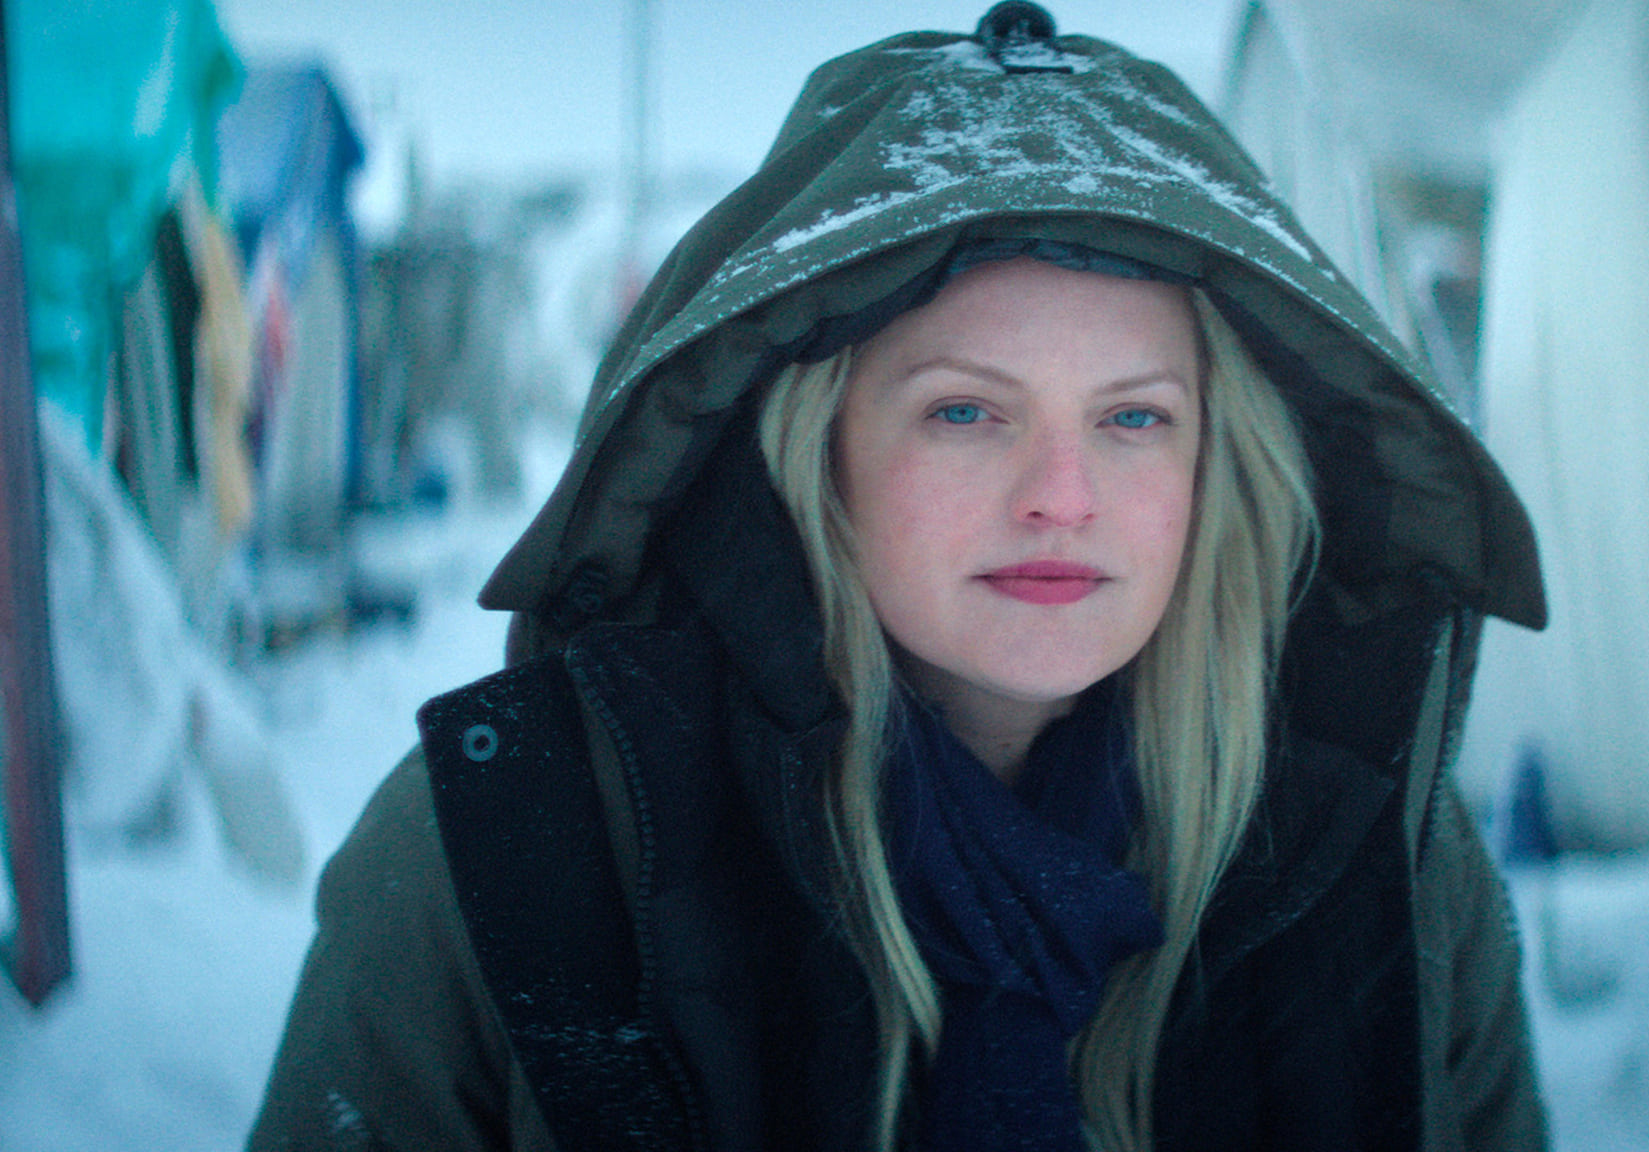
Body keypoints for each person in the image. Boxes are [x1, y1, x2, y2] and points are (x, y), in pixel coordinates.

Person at [249, 5, 1551, 1150]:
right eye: (965, 412)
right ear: (813, 450)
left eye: (1134, 417)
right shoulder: (521, 849)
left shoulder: (1385, 863)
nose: (1061, 494)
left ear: (1219, 462)